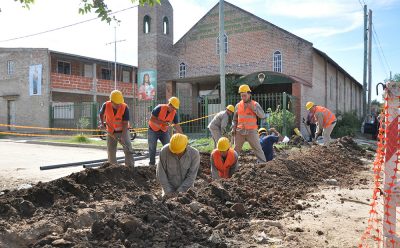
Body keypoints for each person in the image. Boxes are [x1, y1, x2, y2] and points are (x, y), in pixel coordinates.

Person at [156, 133, 200, 199]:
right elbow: (161, 173)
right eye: (173, 151)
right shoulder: (164, 151)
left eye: (179, 151)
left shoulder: (194, 154)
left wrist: (180, 192)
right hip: (168, 188)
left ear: (186, 145)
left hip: (187, 189)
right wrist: (168, 191)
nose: (176, 153)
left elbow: (191, 176)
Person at [232, 84, 267, 163]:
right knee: (235, 151)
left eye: (244, 95)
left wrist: (254, 109)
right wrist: (233, 128)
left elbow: (262, 115)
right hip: (239, 132)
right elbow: (234, 119)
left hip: (252, 131)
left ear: (249, 94)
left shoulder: (255, 104)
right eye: (241, 96)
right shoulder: (238, 105)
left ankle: (263, 165)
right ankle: (232, 166)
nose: (243, 98)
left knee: (258, 149)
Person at [99, 90, 135, 167]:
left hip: (123, 130)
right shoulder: (106, 105)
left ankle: (130, 167)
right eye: (116, 104)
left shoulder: (124, 107)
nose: (118, 105)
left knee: (127, 148)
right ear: (111, 101)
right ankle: (113, 167)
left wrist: (122, 136)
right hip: (111, 131)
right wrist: (102, 124)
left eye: (119, 103)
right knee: (111, 150)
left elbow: (125, 123)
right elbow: (101, 114)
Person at [148, 97, 183, 166]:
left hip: (163, 131)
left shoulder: (174, 113)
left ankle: (169, 164)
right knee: (152, 148)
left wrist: (182, 135)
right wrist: (163, 123)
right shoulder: (159, 108)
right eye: (173, 107)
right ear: (169, 104)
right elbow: (152, 119)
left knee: (169, 147)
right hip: (152, 130)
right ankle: (152, 164)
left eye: (175, 108)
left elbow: (176, 125)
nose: (174, 109)